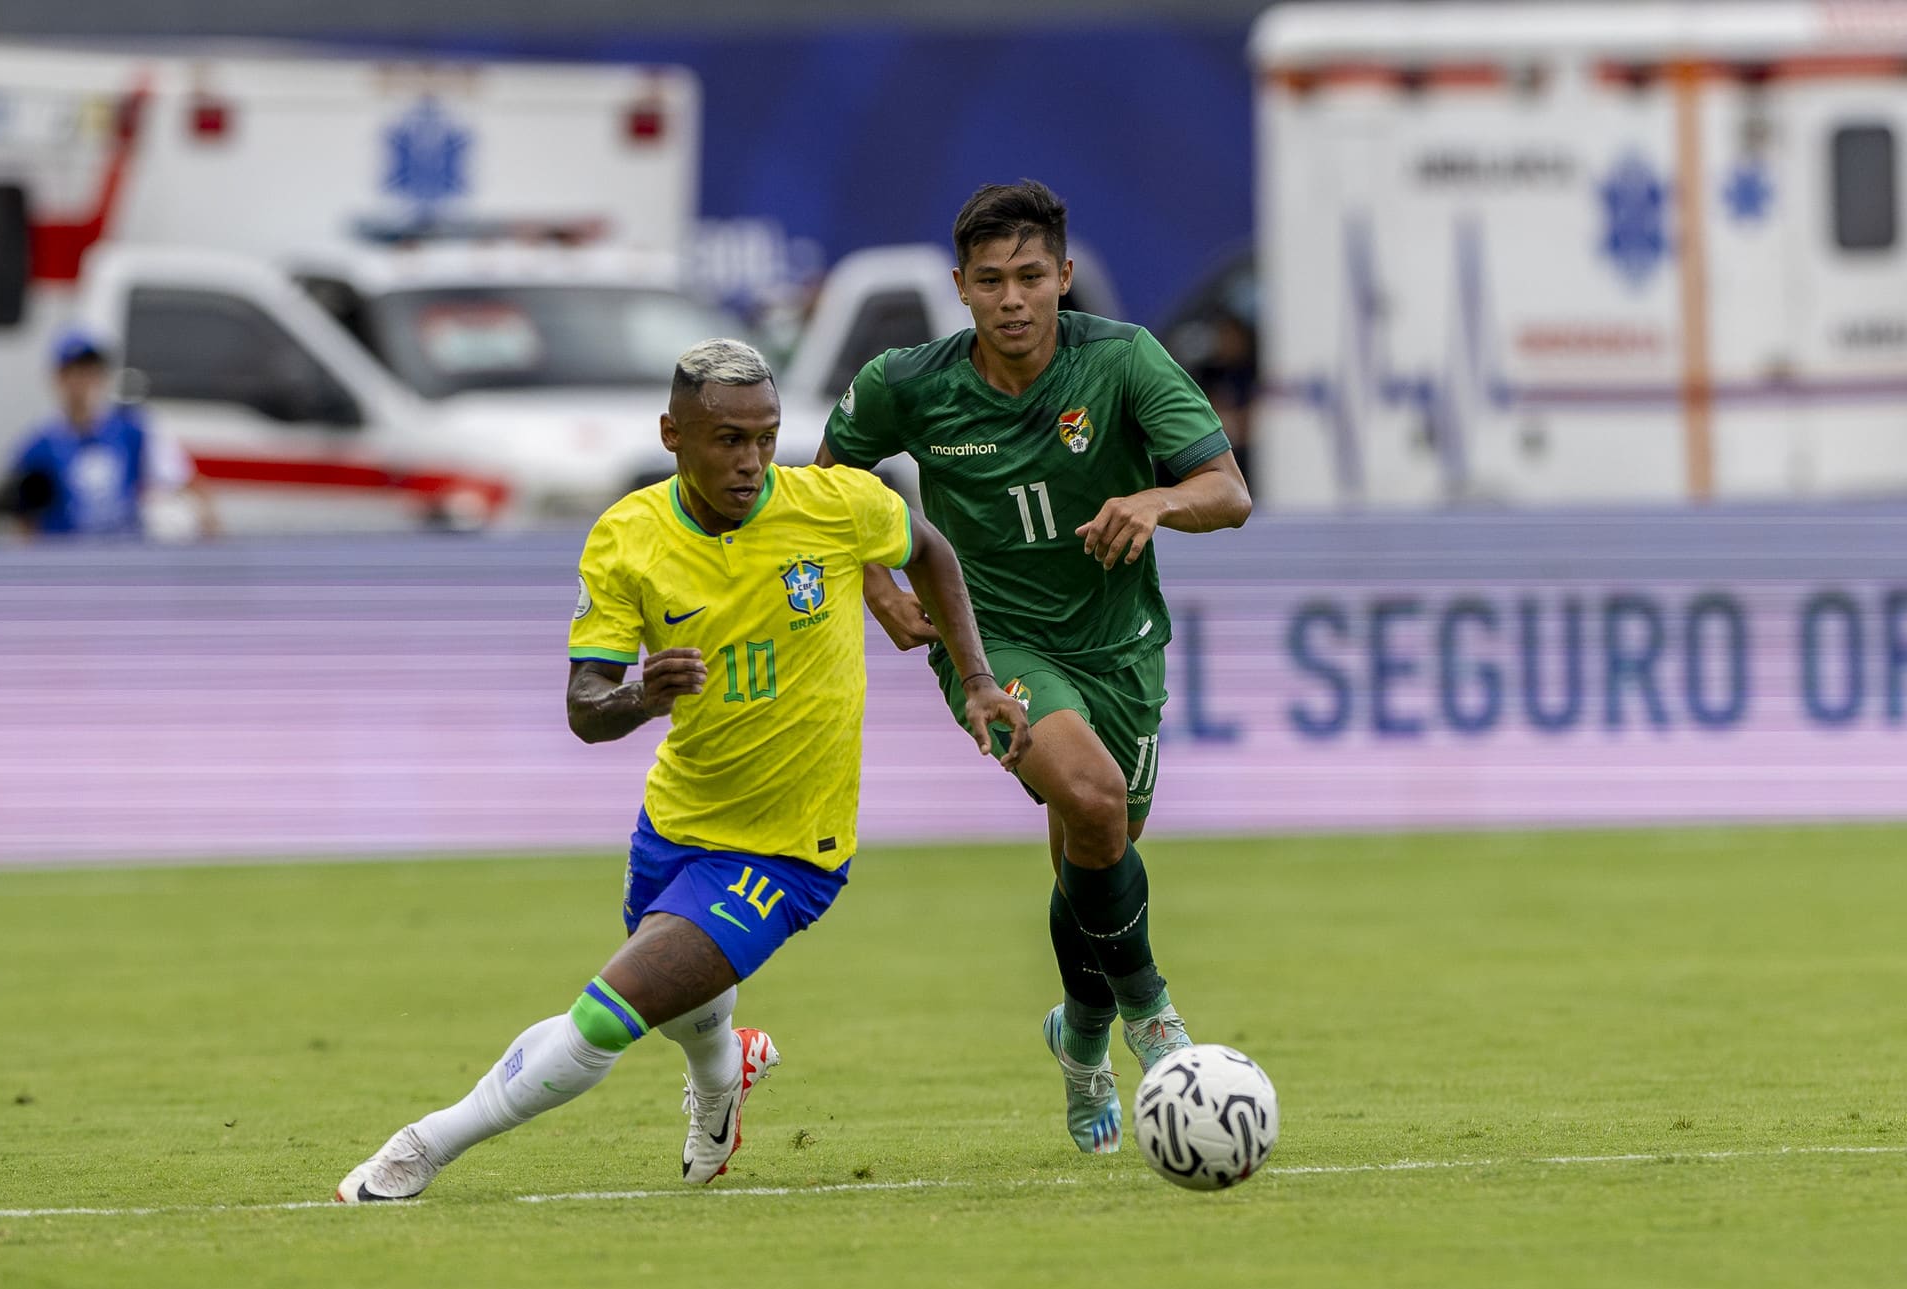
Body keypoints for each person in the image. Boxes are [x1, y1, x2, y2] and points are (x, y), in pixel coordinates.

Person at [337, 339, 1028, 1201]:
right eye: (727, 440)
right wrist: (640, 697)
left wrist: (976, 681)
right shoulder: (628, 538)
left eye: (766, 438)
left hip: (789, 850)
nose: (750, 461)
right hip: (673, 823)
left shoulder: (839, 504)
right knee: (683, 1005)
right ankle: (721, 1075)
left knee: (607, 1013)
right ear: (673, 433)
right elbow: (584, 708)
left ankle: (420, 1148)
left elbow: (931, 550)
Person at [815, 180, 1253, 1155]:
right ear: (959, 289)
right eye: (988, 281)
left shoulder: (1123, 360)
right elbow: (822, 488)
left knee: (1090, 851)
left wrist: (1154, 502)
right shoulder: (906, 382)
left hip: (1120, 648)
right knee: (1091, 802)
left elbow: (1226, 492)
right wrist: (871, 579)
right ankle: (1149, 1016)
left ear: (1061, 276)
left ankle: (1079, 1035)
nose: (1010, 298)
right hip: (990, 645)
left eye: (1027, 276)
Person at [0, 328, 213, 539]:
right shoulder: (38, 446)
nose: (84, 382)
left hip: (125, 564)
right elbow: (24, 521)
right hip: (68, 569)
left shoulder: (133, 430)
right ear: (59, 378)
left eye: (91, 371)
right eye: (76, 372)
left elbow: (187, 483)